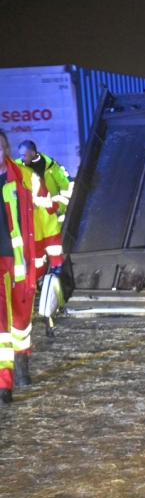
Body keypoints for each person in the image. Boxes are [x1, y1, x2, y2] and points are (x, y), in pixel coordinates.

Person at [0, 131, 39, 404]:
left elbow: (41, 215)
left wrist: (51, 255)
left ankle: (21, 360)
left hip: (17, 260)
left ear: (7, 149)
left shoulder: (22, 179)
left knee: (20, 322)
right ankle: (5, 384)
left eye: (1, 147)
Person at [17, 140, 71, 272]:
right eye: (21, 155)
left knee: (53, 244)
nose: (22, 158)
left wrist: (59, 208)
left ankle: (56, 270)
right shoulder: (17, 167)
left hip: (50, 212)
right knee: (36, 247)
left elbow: (67, 187)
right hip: (32, 214)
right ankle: (39, 275)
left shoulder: (51, 166)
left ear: (33, 153)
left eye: (24, 155)